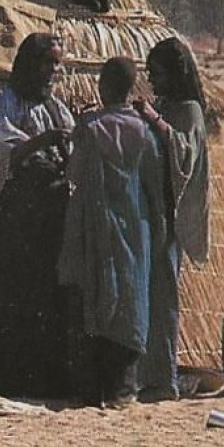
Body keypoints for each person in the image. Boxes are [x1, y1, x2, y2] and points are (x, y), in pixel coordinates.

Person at [0, 32, 76, 396]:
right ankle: (10, 379)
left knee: (46, 296)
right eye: (47, 63)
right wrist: (44, 141)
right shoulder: (4, 105)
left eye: (57, 64)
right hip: (17, 220)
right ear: (29, 64)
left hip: (49, 218)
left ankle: (43, 378)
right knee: (14, 296)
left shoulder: (54, 107)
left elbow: (71, 141)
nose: (53, 71)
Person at [57, 57, 169, 409]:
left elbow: (74, 173)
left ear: (103, 87)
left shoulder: (89, 128)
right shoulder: (143, 131)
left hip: (92, 226)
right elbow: (154, 183)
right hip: (136, 228)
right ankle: (123, 388)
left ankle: (91, 389)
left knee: (91, 293)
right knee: (130, 299)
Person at [133, 36, 211, 401]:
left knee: (163, 298)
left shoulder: (190, 109)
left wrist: (155, 122)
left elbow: (186, 154)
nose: (153, 80)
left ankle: (162, 378)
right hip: (148, 211)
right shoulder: (164, 104)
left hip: (168, 213)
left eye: (158, 73)